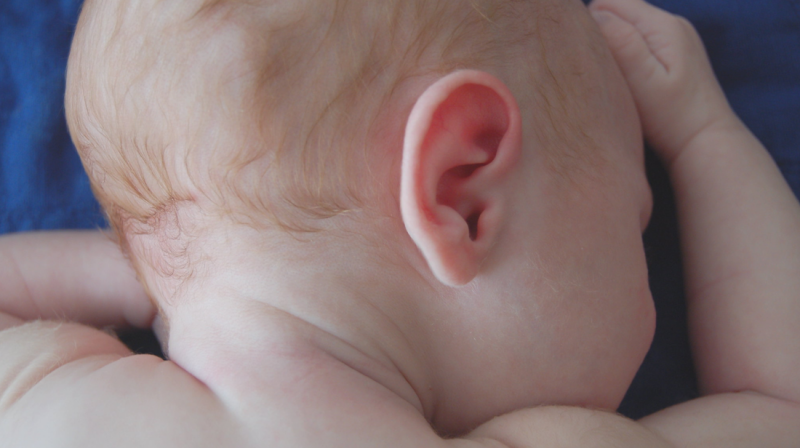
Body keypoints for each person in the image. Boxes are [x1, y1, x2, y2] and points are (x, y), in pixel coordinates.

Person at [1, 0, 798, 446]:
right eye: (637, 218)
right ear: (466, 193)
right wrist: (704, 139)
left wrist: (163, 270)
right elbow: (781, 405)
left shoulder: (53, 403)